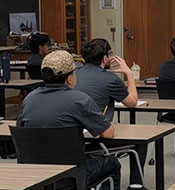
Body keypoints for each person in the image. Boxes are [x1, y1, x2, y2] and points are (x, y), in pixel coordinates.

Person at [16, 50, 121, 190]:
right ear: (70, 78)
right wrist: (102, 119)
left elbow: (21, 129)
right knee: (112, 163)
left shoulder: (29, 99)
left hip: (36, 174)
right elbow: (107, 133)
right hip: (71, 174)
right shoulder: (80, 100)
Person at [75, 39, 145, 190]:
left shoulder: (73, 75)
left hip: (73, 139)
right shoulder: (110, 79)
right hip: (96, 135)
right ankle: (135, 186)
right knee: (140, 141)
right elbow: (132, 102)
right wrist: (129, 74)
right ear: (105, 58)